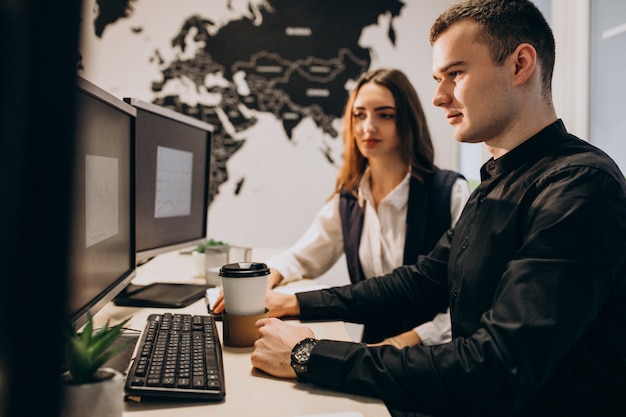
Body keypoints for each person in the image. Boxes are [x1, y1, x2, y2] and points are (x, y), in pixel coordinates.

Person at [250, 1, 626, 416]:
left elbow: (497, 367)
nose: (437, 96)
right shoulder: (495, 182)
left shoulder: (580, 185)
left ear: (520, 64)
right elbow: (419, 282)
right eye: (437, 78)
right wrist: (296, 304)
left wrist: (309, 355)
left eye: (455, 74)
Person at [213, 68, 470, 347]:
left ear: (407, 121)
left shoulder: (449, 192)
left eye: (384, 115)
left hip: (432, 355)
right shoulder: (350, 198)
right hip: (371, 351)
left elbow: (467, 304)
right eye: (359, 115)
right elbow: (302, 257)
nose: (367, 127)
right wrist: (264, 281)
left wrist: (400, 343)